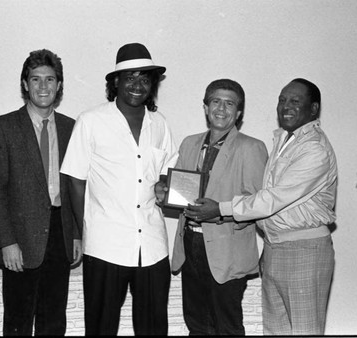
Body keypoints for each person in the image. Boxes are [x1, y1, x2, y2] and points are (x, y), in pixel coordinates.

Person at [185, 78, 337, 335]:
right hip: (276, 246)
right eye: (282, 100)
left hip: (305, 250)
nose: (285, 106)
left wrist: (220, 209)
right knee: (276, 331)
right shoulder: (286, 141)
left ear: (314, 109)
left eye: (295, 101)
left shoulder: (314, 149)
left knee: (304, 330)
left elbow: (269, 199)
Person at [60, 43, 178, 335]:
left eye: (144, 78)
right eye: (130, 77)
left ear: (152, 85)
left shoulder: (160, 124)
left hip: (152, 246)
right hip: (105, 245)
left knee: (153, 328)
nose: (138, 85)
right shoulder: (91, 121)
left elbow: (167, 173)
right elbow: (75, 180)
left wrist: (166, 187)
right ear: (116, 82)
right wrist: (86, 229)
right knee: (101, 327)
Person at [0, 49, 83, 336]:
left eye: (50, 80)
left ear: (59, 85)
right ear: (25, 84)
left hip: (59, 235)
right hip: (20, 238)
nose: (43, 87)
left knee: (54, 321)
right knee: (18, 320)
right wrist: (6, 242)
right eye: (36, 79)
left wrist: (76, 233)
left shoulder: (70, 128)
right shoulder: (2, 127)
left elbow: (74, 184)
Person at [164, 79, 268, 335]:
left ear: (239, 112)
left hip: (228, 250)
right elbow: (182, 190)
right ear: (205, 107)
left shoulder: (251, 147)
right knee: (197, 324)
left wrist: (219, 211)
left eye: (229, 103)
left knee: (226, 326)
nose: (221, 109)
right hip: (190, 246)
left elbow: (257, 203)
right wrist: (164, 191)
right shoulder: (190, 143)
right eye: (215, 101)